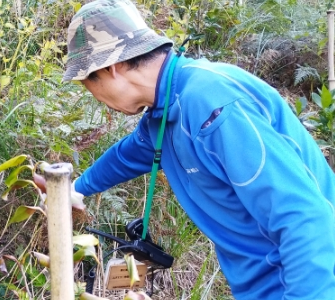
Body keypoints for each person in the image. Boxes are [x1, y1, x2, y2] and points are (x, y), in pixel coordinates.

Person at [65, 0, 335, 299]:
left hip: (300, 283)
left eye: (87, 84)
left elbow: (302, 217)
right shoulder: (165, 108)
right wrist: (77, 188)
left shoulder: (212, 103)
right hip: (259, 285)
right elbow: (129, 154)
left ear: (111, 68)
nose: (94, 97)